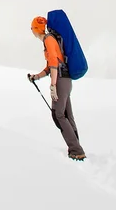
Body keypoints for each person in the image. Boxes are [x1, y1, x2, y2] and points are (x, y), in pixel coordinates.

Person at [28, 16, 86, 161]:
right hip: (66, 81)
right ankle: (76, 148)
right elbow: (50, 66)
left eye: (32, 28)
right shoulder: (52, 39)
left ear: (35, 29)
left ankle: (76, 150)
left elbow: (54, 63)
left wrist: (53, 85)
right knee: (67, 115)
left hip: (60, 81)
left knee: (58, 115)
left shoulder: (48, 40)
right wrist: (37, 76)